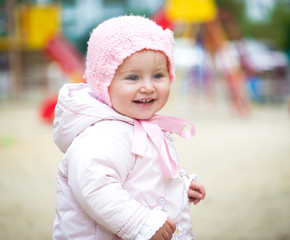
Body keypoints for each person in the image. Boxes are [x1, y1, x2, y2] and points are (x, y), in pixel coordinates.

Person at [53, 15, 205, 240]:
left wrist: (178, 186)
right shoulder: (101, 135)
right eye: (133, 77)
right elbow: (95, 189)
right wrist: (139, 222)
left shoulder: (140, 125)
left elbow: (142, 177)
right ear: (104, 82)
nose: (148, 87)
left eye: (158, 75)